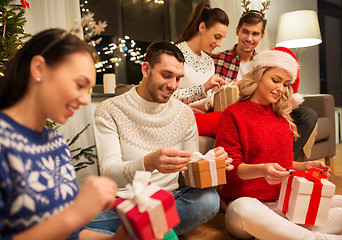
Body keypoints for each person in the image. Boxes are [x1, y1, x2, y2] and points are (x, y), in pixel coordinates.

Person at [215, 48, 342, 240]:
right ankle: (315, 238)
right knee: (242, 210)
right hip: (248, 204)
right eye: (275, 80)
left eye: (285, 84)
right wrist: (263, 170)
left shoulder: (282, 117)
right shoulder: (233, 114)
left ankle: (280, 233)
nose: (281, 89)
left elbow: (282, 165)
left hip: (286, 204)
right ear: (258, 76)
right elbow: (230, 169)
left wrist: (304, 166)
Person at [91, 41, 233, 236]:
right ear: (146, 69)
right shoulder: (110, 110)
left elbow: (189, 171)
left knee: (209, 200)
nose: (173, 86)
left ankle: (135, 232)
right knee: (72, 223)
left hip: (171, 199)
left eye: (178, 78)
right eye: (166, 76)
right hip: (127, 200)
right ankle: (149, 231)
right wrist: (148, 162)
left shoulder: (184, 113)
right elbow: (109, 172)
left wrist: (209, 162)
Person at [0, 28, 130, 239]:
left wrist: (120, 238)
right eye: (79, 85)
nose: (86, 100)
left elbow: (74, 234)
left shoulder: (56, 143)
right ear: (39, 69)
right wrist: (75, 214)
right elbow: (70, 221)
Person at [211, 7, 318, 161]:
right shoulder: (217, 60)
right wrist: (229, 87)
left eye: (255, 34)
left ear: (262, 36)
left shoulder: (268, 62)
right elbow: (211, 98)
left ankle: (284, 160)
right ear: (237, 31)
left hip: (268, 113)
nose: (249, 38)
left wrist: (285, 104)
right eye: (245, 32)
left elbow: (280, 90)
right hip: (242, 115)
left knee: (308, 114)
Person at [172, 2, 229, 137]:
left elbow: (208, 101)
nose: (219, 44)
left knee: (238, 117)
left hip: (203, 117)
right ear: (202, 27)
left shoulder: (209, 61)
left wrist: (225, 89)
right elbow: (169, 96)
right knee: (228, 121)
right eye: (217, 37)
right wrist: (204, 87)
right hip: (179, 117)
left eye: (222, 39)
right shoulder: (175, 53)